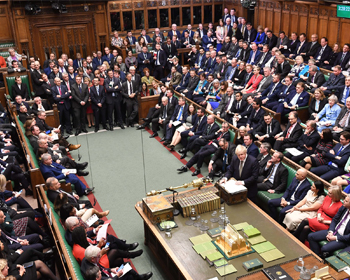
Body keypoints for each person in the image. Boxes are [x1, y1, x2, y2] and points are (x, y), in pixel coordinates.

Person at [80, 246, 152, 280]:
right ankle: (140, 278)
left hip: (107, 274)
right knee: (129, 275)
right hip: (109, 278)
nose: (100, 257)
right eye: (99, 256)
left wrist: (111, 270)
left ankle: (139, 277)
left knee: (125, 265)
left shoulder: (87, 258)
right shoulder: (93, 274)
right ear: (92, 258)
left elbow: (101, 269)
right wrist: (117, 275)